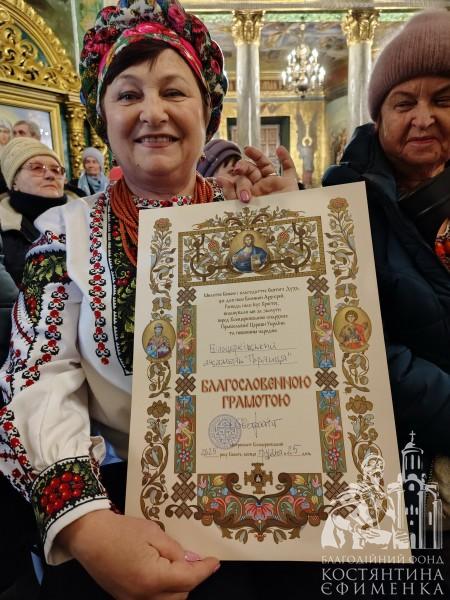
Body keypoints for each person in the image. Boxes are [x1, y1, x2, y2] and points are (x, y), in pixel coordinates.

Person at [0, 1, 298, 598]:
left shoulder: (255, 215)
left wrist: (291, 230)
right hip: (130, 510)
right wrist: (86, 527)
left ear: (207, 111)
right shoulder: (65, 233)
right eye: (129, 94)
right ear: (103, 117)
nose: (152, 112)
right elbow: (38, 379)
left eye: (174, 91)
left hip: (280, 493)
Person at [323, 10, 450, 467]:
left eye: (443, 100)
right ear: (378, 117)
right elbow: (358, 345)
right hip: (404, 450)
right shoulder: (344, 200)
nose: (424, 118)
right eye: (404, 103)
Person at [0, 137, 69, 286]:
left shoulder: (87, 216)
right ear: (14, 181)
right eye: (37, 168)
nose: (50, 175)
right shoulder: (4, 226)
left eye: (56, 170)